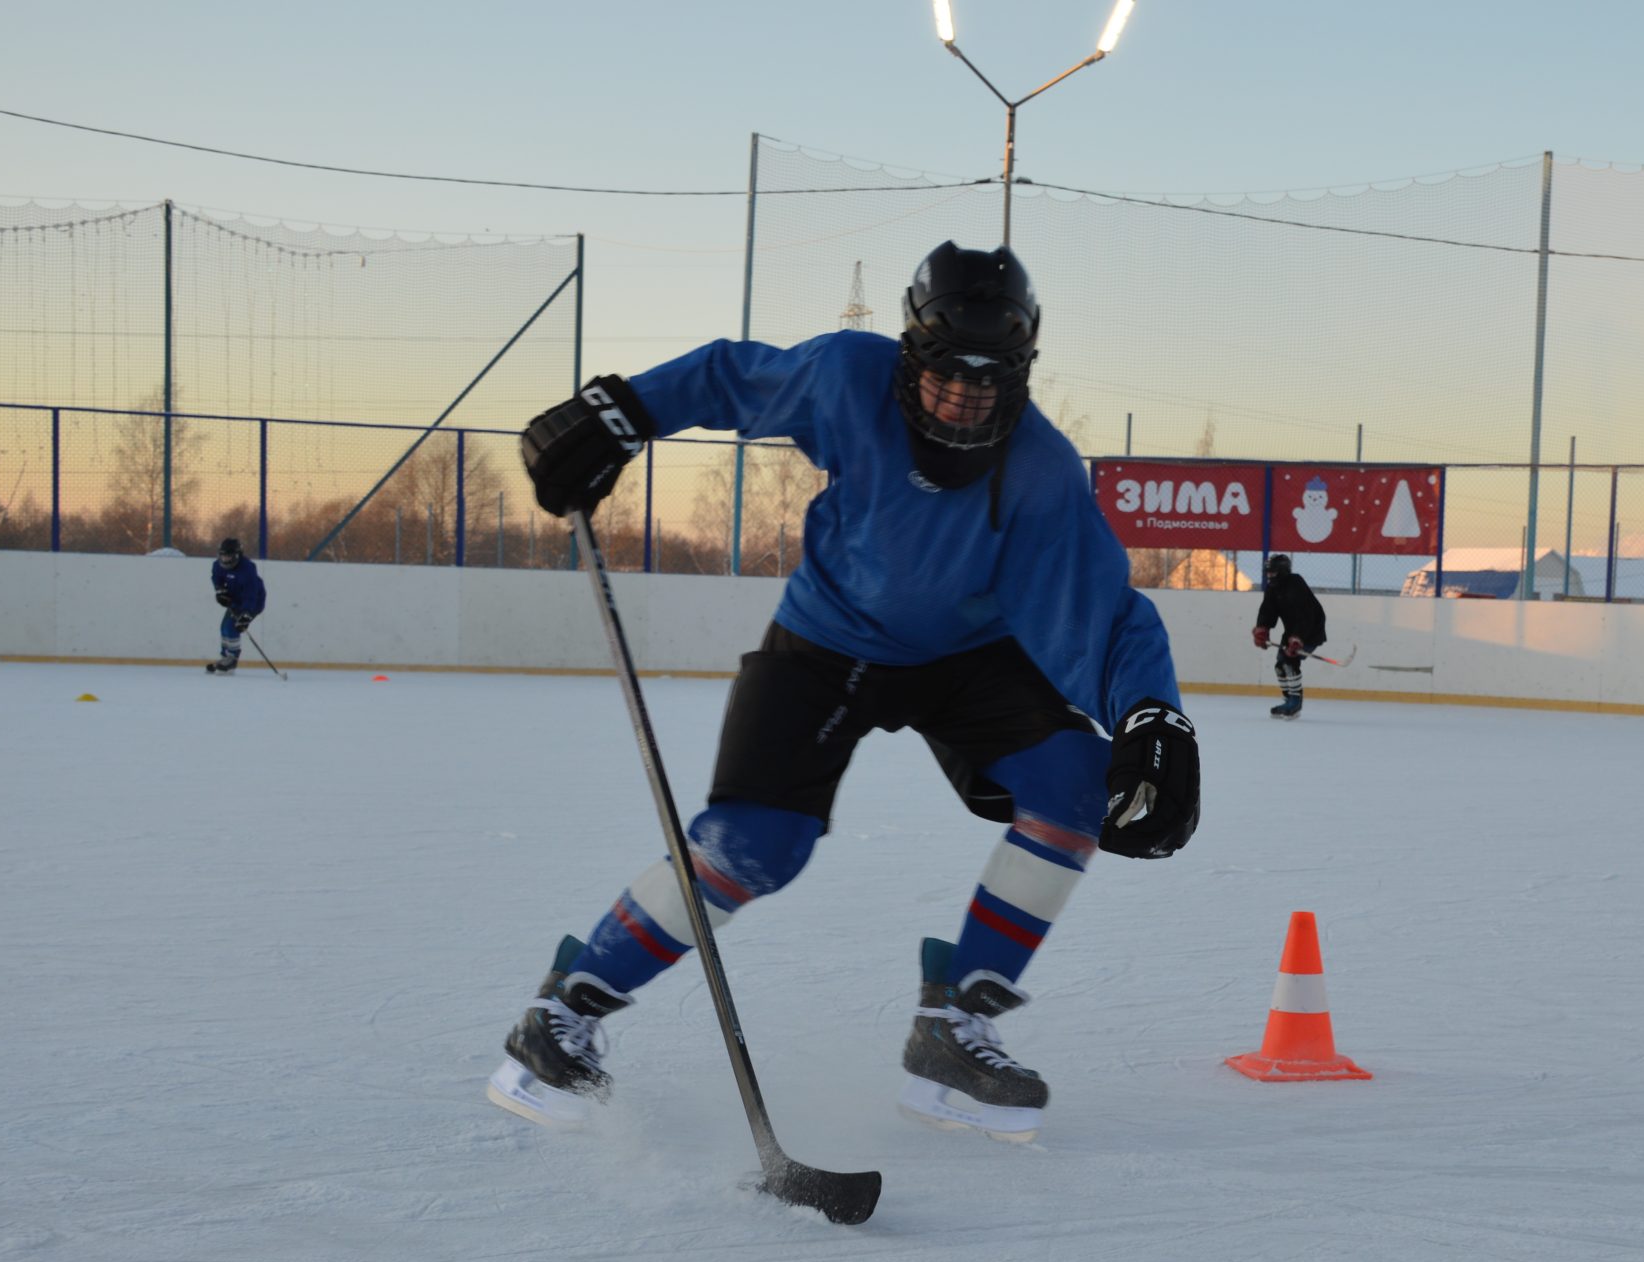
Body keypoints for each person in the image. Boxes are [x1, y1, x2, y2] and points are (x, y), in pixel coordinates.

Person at [491, 243, 1202, 1142]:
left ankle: (954, 1029)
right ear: (909, 356)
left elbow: (1101, 610)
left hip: (968, 656)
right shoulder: (845, 376)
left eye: (988, 383)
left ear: (1021, 375)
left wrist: (1152, 714)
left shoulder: (1041, 472)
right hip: (829, 643)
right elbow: (729, 377)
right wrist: (623, 411)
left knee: (1074, 792)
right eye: (945, 378)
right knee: (756, 845)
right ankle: (565, 1012)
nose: (961, 402)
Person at [1252, 553, 1327, 719]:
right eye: (1268, 572)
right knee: (1280, 666)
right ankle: (1287, 700)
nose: (1269, 576)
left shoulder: (1296, 584)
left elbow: (1306, 615)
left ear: (1282, 571)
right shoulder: (1272, 588)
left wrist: (1298, 638)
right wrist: (1262, 629)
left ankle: (1295, 702)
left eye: (1273, 572)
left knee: (1289, 663)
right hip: (1292, 630)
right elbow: (1267, 610)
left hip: (1311, 628)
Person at [206, 539, 265, 675]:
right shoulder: (217, 565)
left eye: (229, 556)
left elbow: (251, 594)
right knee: (224, 627)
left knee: (231, 627)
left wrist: (246, 614)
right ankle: (225, 657)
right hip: (234, 600)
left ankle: (232, 660)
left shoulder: (248, 568)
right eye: (223, 556)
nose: (225, 560)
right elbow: (216, 577)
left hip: (253, 602)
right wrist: (220, 590)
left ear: (237, 555)